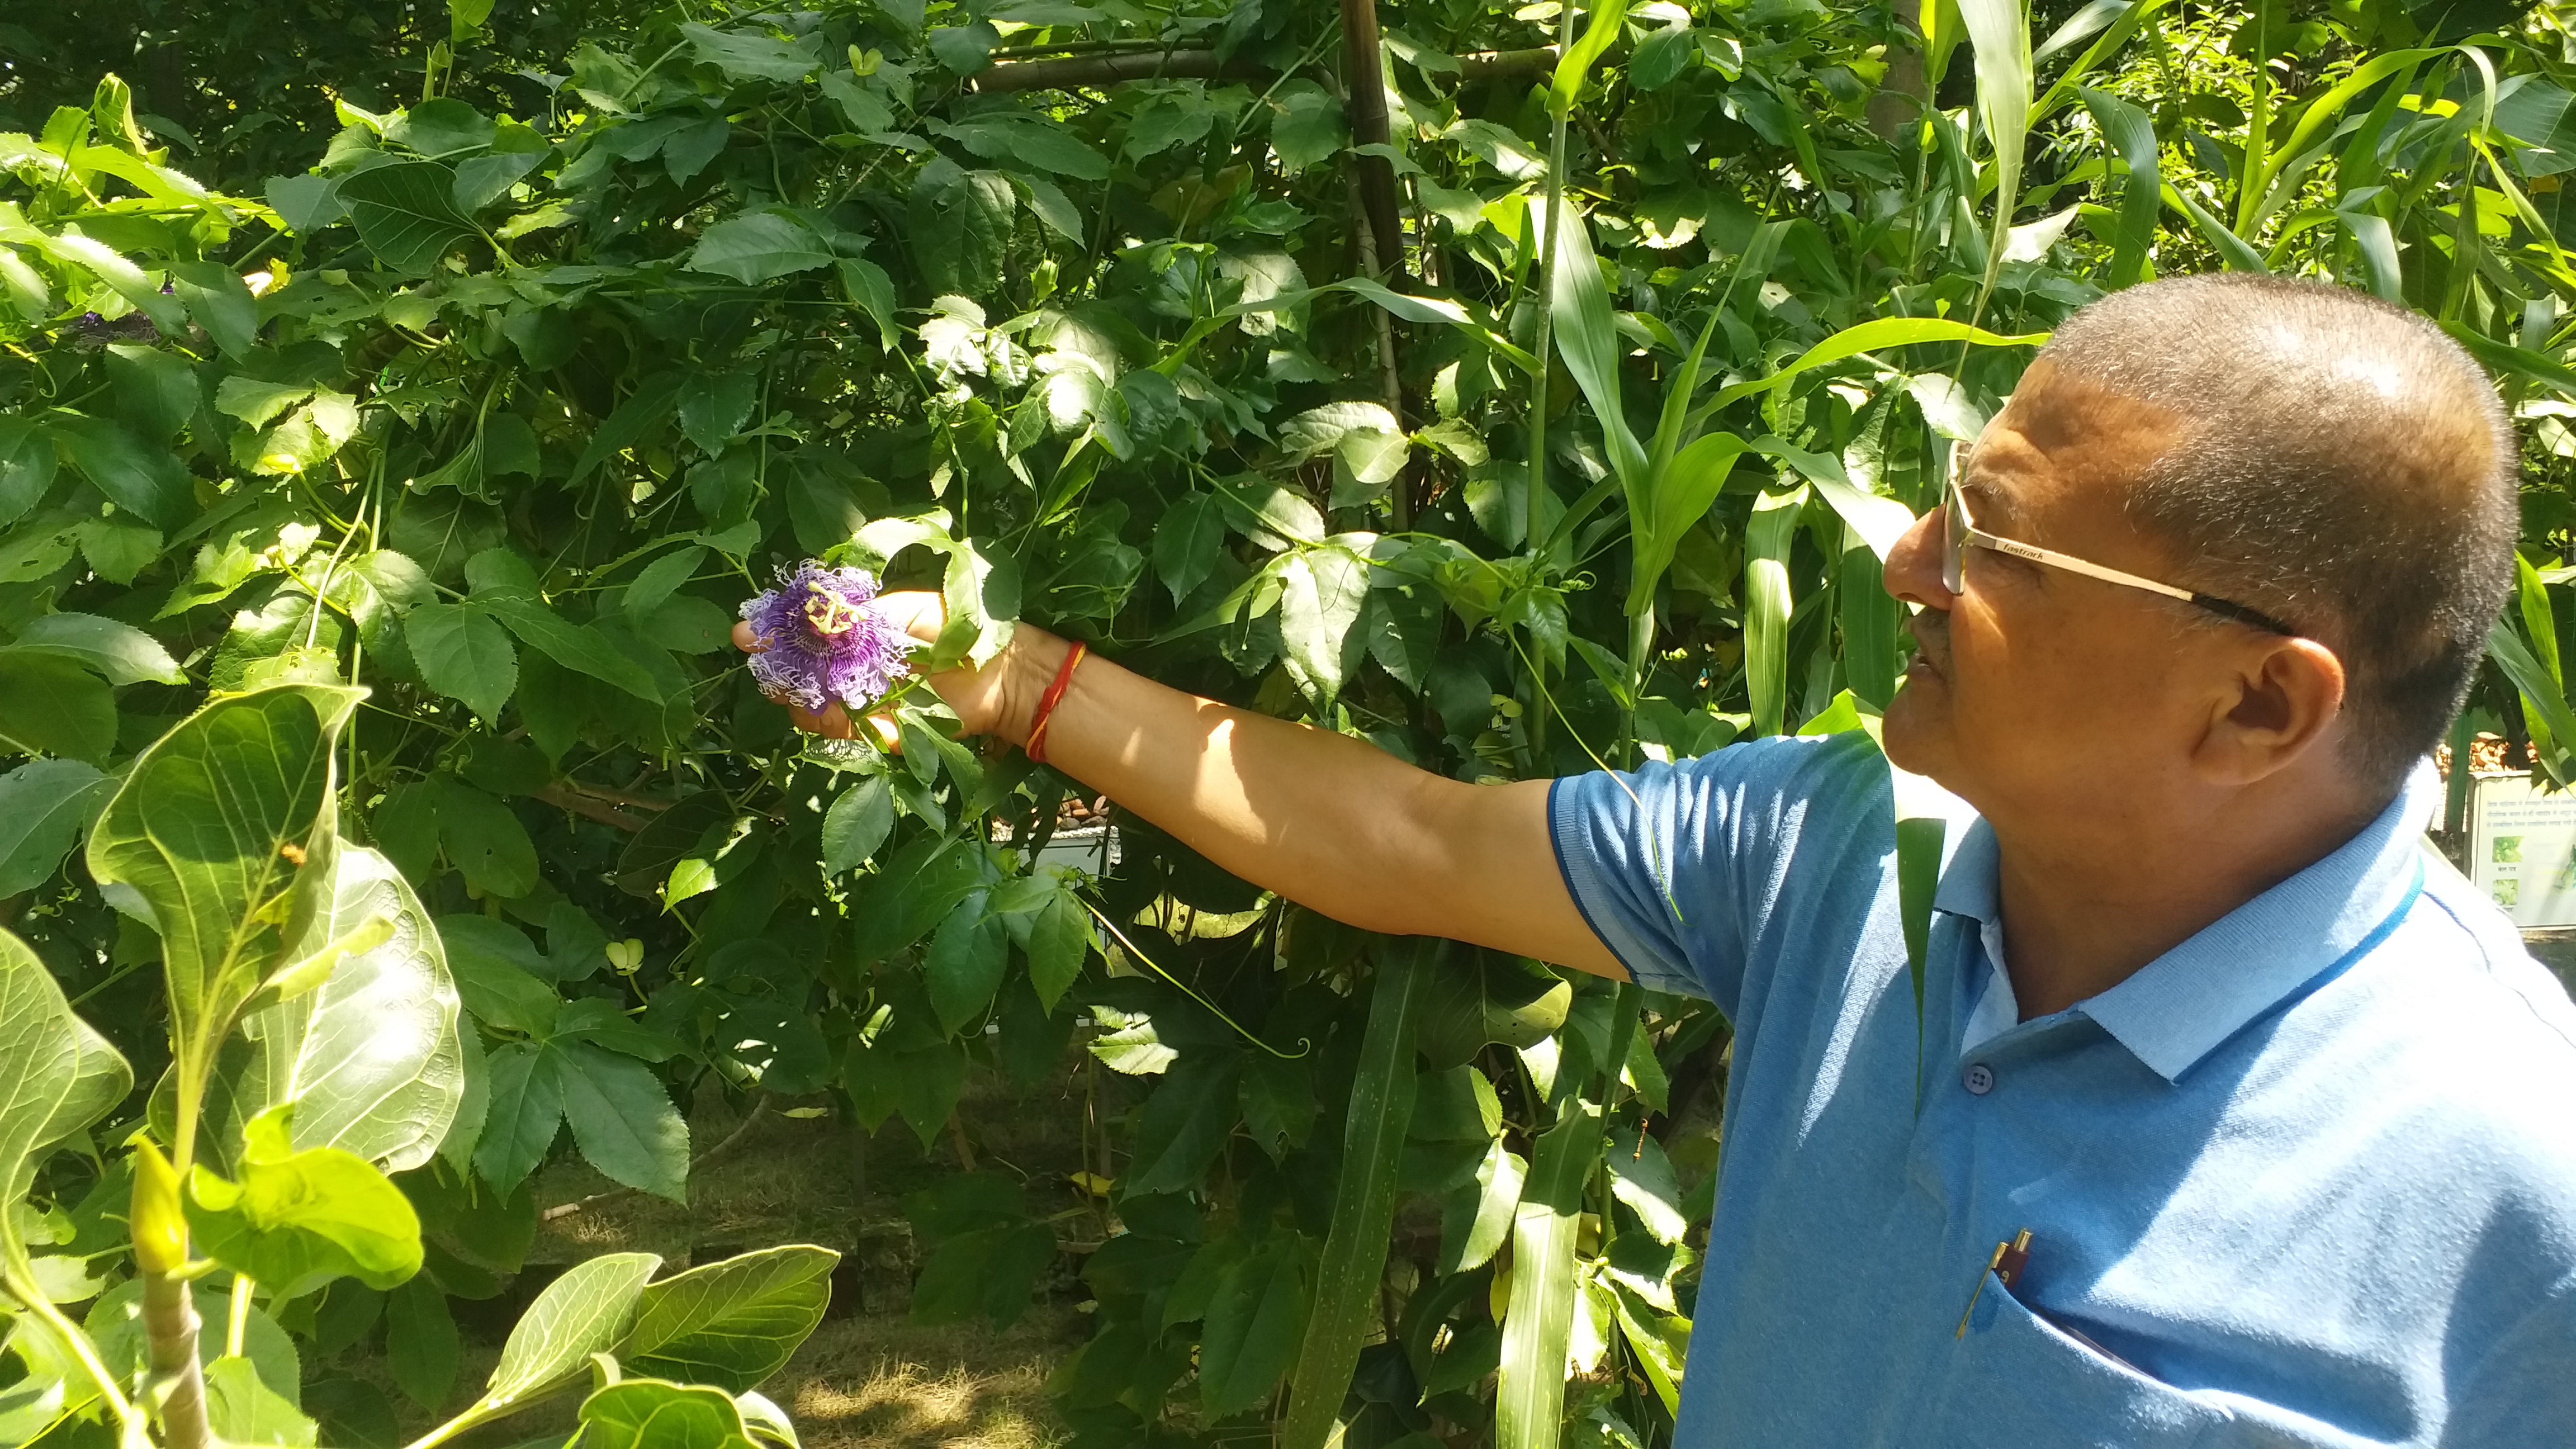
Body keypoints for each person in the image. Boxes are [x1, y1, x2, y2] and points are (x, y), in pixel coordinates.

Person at [738, 274, 2576, 1445]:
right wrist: (992, 676)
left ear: (2262, 705)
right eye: (1953, 500)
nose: (1906, 567)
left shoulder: (2517, 1195)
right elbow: (1409, 839)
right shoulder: (1834, 851)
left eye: (1997, 548)